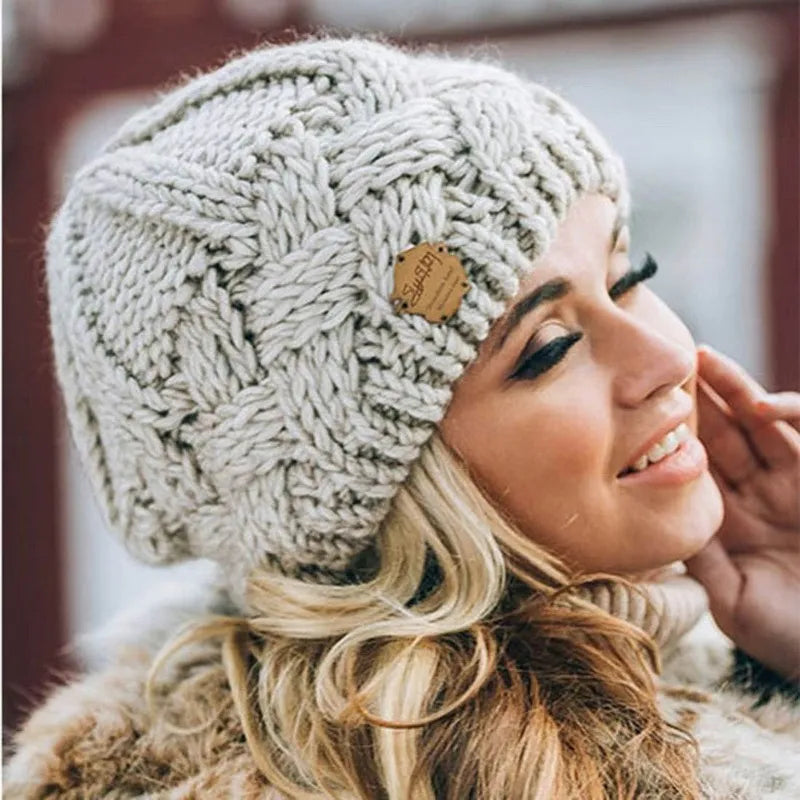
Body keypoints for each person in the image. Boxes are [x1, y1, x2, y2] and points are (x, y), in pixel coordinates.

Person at [3, 35, 799, 799]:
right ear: (387, 491)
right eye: (548, 348)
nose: (667, 357)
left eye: (629, 277)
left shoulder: (736, 655)